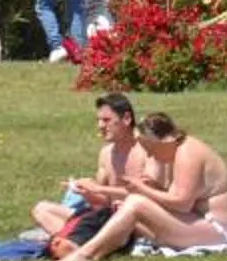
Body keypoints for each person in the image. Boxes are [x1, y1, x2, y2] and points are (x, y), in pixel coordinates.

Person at [53, 110, 227, 261]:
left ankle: (86, 255)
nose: (150, 156)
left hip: (215, 231)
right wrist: (149, 189)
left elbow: (182, 204)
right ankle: (86, 248)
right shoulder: (176, 150)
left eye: (150, 150)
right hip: (194, 221)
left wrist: (142, 189)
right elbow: (174, 198)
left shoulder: (188, 154)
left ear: (160, 142)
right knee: (124, 209)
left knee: (135, 203)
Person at [33, 90, 153, 239]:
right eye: (99, 120)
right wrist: (87, 192)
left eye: (107, 120)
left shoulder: (147, 151)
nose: (100, 126)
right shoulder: (106, 154)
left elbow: (148, 196)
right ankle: (71, 241)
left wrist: (98, 188)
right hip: (105, 217)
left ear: (126, 119)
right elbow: (102, 203)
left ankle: (71, 240)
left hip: (135, 221)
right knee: (42, 209)